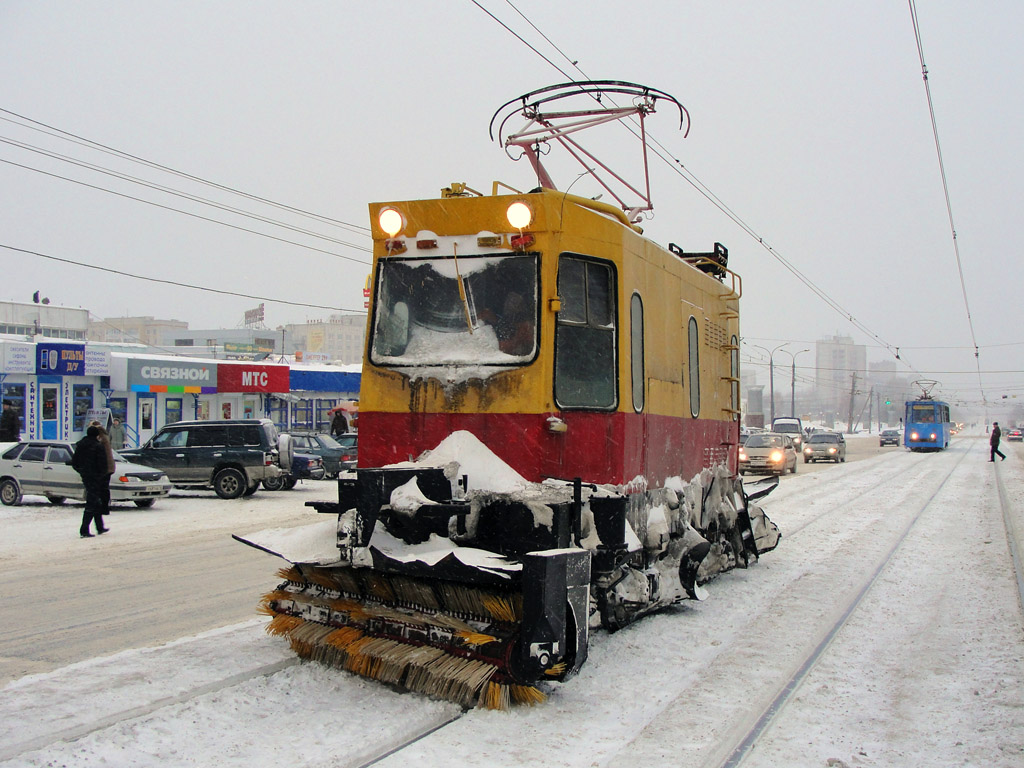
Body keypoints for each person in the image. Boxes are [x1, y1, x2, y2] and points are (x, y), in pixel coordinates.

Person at [72, 425, 110, 537]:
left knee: (95, 501)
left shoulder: (80, 445)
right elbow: (103, 464)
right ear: (97, 435)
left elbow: (75, 462)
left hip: (86, 476)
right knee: (92, 502)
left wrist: (82, 471)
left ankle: (100, 527)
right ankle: (84, 530)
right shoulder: (98, 446)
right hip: (96, 477)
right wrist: (101, 475)